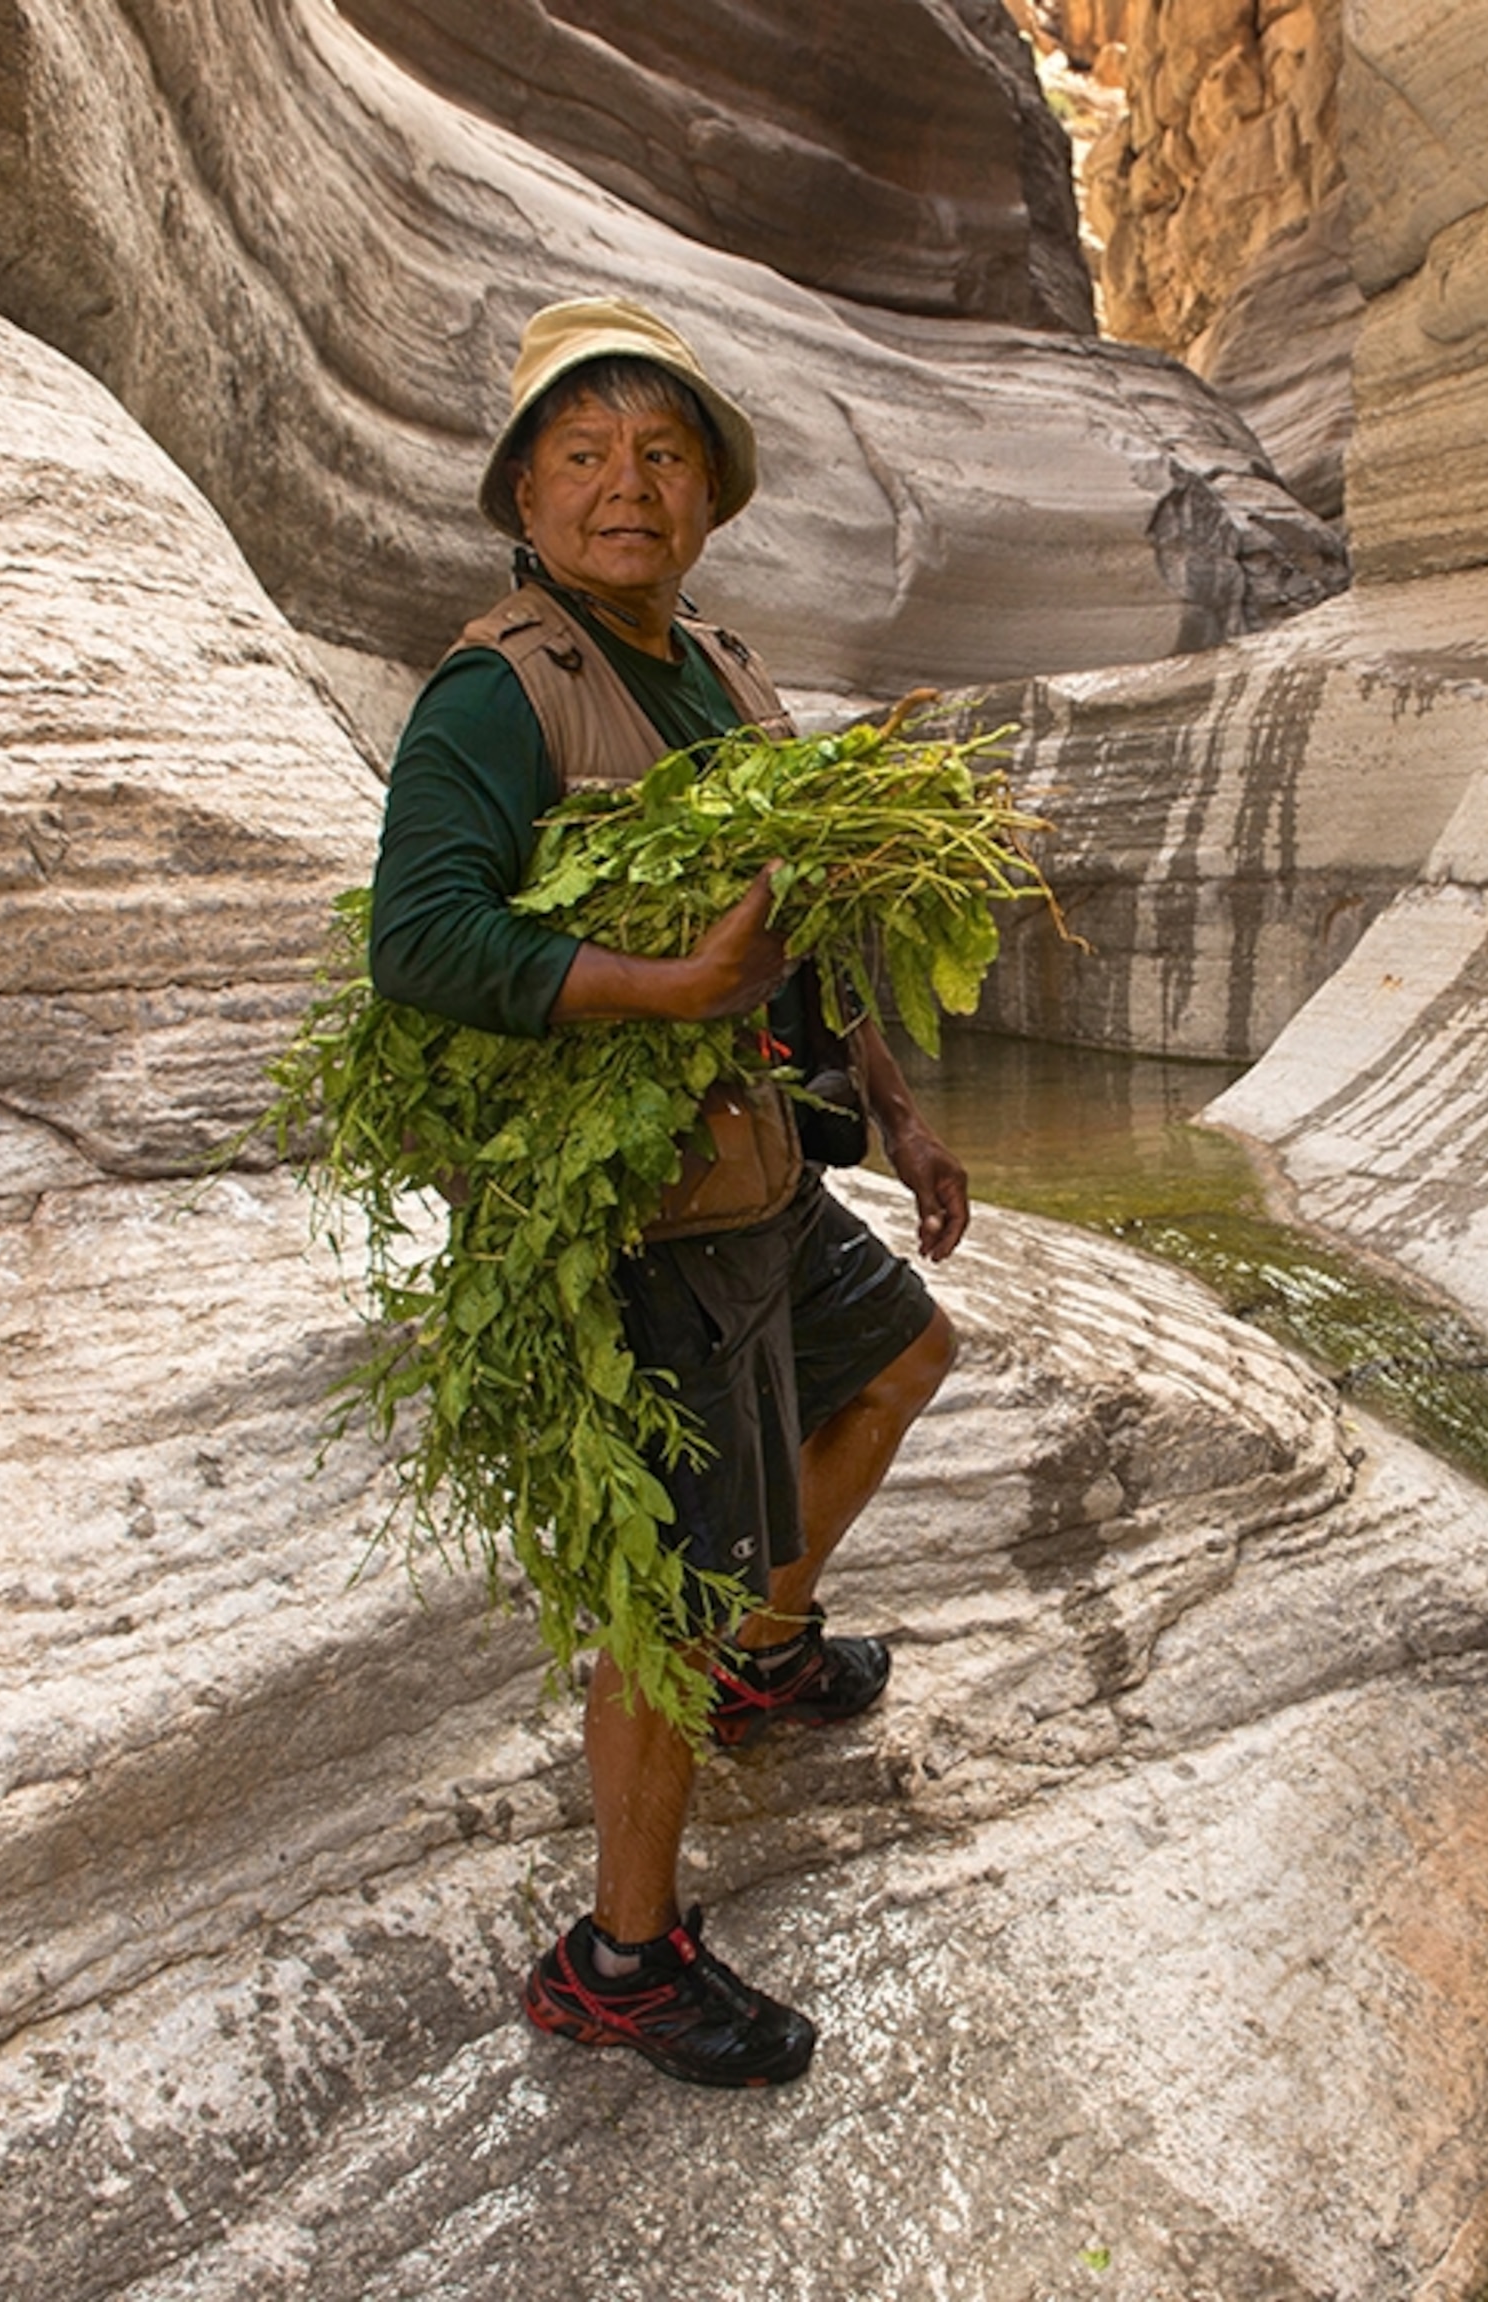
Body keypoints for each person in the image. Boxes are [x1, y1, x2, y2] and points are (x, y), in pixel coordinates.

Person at [367, 297, 969, 2088]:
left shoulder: (718, 662)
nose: (627, 484)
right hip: (623, 1217)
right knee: (659, 1600)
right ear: (526, 498)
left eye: (663, 454)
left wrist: (896, 1100)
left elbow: (811, 910)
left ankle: (768, 1654)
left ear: (706, 497)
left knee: (904, 1355)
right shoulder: (498, 691)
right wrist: (665, 991)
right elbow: (423, 938)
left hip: (754, 1166)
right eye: (584, 454)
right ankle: (621, 1957)